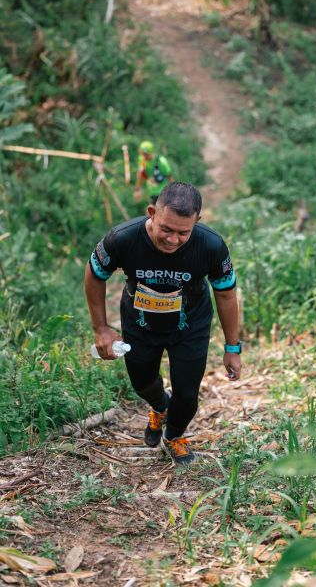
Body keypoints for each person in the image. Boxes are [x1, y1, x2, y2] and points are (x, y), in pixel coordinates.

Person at [84, 181, 242, 465]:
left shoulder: (211, 245)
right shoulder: (122, 238)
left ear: (197, 222)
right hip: (140, 324)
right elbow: (95, 274)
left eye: (183, 233)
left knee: (187, 393)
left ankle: (174, 435)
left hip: (190, 326)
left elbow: (226, 293)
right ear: (151, 213)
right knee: (142, 382)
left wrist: (233, 348)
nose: (173, 240)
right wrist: (101, 328)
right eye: (166, 229)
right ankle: (159, 407)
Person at [134, 140, 173, 205]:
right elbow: (141, 174)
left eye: (146, 154)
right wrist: (138, 189)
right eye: (142, 154)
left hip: (163, 192)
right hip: (151, 192)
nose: (144, 156)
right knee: (151, 209)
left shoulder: (162, 162)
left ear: (151, 152)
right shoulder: (142, 160)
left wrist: (174, 193)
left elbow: (170, 177)